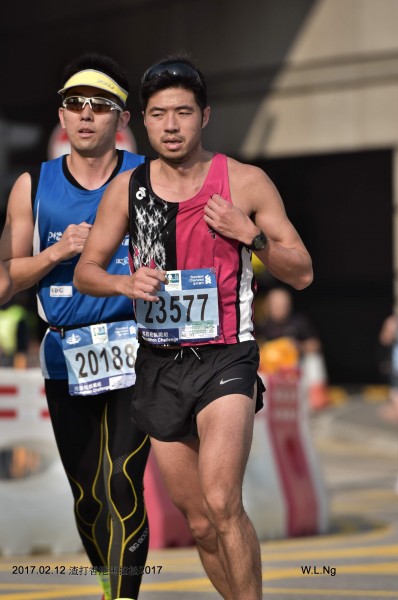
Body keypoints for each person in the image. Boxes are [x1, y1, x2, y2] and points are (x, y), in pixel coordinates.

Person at [74, 54, 313, 600]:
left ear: (204, 116)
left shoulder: (244, 182)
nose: (171, 125)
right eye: (159, 114)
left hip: (227, 356)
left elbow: (302, 272)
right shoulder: (127, 189)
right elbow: (87, 271)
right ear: (143, 120)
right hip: (159, 364)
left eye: (183, 112)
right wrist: (124, 283)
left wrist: (250, 235)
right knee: (201, 521)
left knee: (222, 499)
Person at [0, 53, 150, 600]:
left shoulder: (149, 176)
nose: (86, 114)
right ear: (61, 116)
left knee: (123, 482)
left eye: (100, 105)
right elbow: (4, 282)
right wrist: (57, 252)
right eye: (74, 104)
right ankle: (109, 580)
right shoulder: (32, 186)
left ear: (122, 118)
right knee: (88, 496)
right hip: (66, 353)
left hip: (137, 347)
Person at [255, 286, 329, 408]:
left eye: (283, 305)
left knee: (313, 360)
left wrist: (298, 346)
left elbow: (315, 345)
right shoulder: (261, 326)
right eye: (276, 305)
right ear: (267, 306)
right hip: (271, 368)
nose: (280, 308)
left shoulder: (298, 322)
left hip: (295, 367)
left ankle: (317, 399)